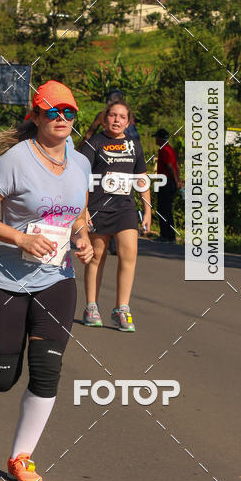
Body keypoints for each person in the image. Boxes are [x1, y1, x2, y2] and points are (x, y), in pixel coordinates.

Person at [0, 80, 93, 481]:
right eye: (53, 112)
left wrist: (82, 237)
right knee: (2, 376)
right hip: (6, 279)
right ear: (36, 116)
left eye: (69, 112)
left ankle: (21, 457)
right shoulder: (16, 160)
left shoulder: (81, 162)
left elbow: (79, 212)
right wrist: (19, 238)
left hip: (57, 278)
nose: (62, 119)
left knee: (47, 370)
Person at [79, 98, 151, 331]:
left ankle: (122, 308)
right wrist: (84, 209)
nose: (117, 120)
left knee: (129, 253)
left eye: (122, 117)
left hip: (125, 208)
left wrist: (147, 209)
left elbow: (141, 178)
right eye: (113, 115)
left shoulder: (134, 145)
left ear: (128, 122)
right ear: (105, 118)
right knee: (96, 256)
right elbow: (81, 179)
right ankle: (91, 306)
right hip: (97, 207)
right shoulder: (94, 143)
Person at [155, 128, 180, 242]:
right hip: (170, 181)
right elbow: (176, 166)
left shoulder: (164, 150)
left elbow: (170, 166)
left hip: (165, 181)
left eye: (156, 137)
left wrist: (175, 180)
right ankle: (170, 235)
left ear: (160, 138)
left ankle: (165, 235)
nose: (155, 139)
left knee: (162, 209)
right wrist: (178, 180)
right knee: (167, 209)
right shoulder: (170, 149)